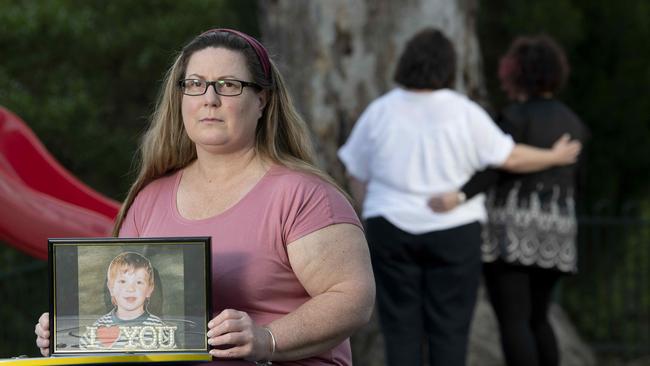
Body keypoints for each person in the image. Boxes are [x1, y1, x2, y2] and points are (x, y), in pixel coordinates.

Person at [35, 28, 375, 365]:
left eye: (228, 85)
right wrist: (75, 337)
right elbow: (128, 325)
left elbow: (352, 297)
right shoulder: (149, 198)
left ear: (262, 99)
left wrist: (268, 338)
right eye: (195, 84)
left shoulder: (304, 195)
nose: (209, 99)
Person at [337, 28, 581, 366]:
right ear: (449, 67)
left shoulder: (381, 110)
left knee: (401, 330)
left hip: (390, 228)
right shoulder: (464, 112)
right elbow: (509, 157)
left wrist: (369, 208)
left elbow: (355, 170)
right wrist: (553, 157)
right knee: (450, 330)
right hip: (455, 232)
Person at [429, 35, 588, 366]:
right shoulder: (575, 123)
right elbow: (579, 181)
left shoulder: (514, 117)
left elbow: (497, 168)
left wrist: (459, 196)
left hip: (511, 227)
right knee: (540, 317)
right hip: (558, 226)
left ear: (517, 73)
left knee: (513, 319)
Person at [79, 251, 175, 350]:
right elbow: (81, 356)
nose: (130, 289)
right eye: (123, 281)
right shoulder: (98, 327)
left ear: (149, 290)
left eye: (139, 282)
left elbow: (173, 359)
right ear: (111, 288)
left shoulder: (158, 327)